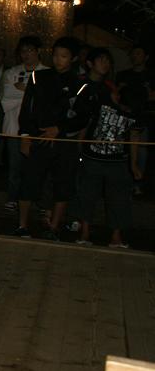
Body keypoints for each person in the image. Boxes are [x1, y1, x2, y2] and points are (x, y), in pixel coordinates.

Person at [15, 36, 90, 240]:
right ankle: (22, 225)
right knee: (29, 181)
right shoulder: (38, 77)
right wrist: (25, 136)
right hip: (38, 137)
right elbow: (27, 109)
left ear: (73, 58)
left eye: (64, 56)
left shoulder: (80, 83)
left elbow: (83, 116)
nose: (58, 59)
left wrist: (59, 128)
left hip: (64, 141)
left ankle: (54, 227)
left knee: (63, 184)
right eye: (56, 55)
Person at [74, 48, 142, 247]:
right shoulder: (101, 96)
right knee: (87, 194)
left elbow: (135, 138)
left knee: (118, 198)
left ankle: (116, 236)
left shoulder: (134, 115)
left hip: (118, 160)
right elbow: (86, 122)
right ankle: (84, 231)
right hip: (92, 156)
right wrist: (79, 147)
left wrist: (134, 164)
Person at [0, 37, 47, 212]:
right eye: (23, 51)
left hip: (38, 129)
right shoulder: (11, 73)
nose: (26, 54)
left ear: (38, 51)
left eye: (30, 50)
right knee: (15, 167)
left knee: (38, 167)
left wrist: (23, 89)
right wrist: (31, 93)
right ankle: (13, 197)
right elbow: (5, 98)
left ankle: (38, 199)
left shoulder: (47, 73)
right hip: (14, 127)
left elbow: (46, 101)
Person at [116, 44, 154, 197]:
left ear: (146, 57)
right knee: (122, 149)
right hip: (124, 117)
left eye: (139, 53)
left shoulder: (151, 75)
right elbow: (116, 95)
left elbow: (152, 97)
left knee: (141, 151)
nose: (135, 56)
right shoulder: (123, 75)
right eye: (133, 53)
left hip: (143, 117)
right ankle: (122, 183)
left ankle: (137, 183)